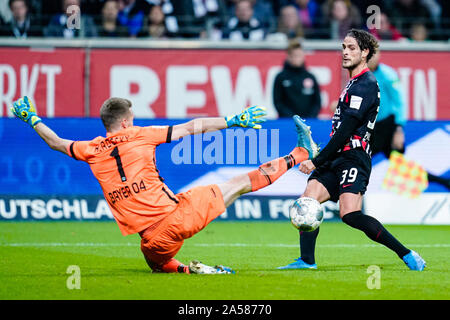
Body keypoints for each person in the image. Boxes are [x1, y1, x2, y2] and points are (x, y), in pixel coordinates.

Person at [11, 97, 318, 274]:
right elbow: (191, 127)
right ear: (127, 121)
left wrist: (32, 118)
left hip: (151, 242)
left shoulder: (91, 149)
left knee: (158, 264)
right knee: (237, 184)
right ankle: (300, 154)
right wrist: (232, 120)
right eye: (133, 117)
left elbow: (55, 143)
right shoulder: (141, 134)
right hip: (177, 219)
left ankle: (187, 270)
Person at [277, 29, 426, 271]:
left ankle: (407, 254)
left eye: (352, 48)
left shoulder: (366, 84)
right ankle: (306, 261)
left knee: (350, 214)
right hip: (337, 156)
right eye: (344, 47)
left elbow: (346, 131)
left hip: (353, 158)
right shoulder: (353, 83)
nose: (345, 52)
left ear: (365, 52)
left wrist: (317, 160)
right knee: (308, 199)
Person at [368, 49, 450, 189]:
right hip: (371, 127)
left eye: (375, 54)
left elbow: (400, 101)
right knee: (397, 167)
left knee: (396, 167)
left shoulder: (388, 75)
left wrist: (398, 129)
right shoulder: (359, 76)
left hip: (386, 127)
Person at [273, 39, 321, 118]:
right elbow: (278, 102)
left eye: (300, 55)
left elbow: (317, 102)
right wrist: (292, 118)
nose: (298, 58)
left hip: (308, 122)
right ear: (289, 57)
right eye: (295, 56)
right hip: (287, 122)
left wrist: (310, 118)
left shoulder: (310, 77)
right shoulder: (281, 77)